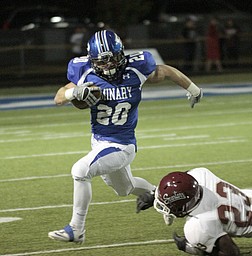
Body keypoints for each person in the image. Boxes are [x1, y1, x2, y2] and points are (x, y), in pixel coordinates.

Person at [48, 30, 203, 244]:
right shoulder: (85, 73)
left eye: (112, 59)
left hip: (122, 145)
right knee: (125, 188)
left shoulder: (135, 69)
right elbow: (58, 98)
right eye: (102, 61)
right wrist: (74, 93)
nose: (109, 65)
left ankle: (76, 229)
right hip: (100, 142)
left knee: (80, 171)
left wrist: (193, 89)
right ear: (93, 61)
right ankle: (163, 198)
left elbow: (167, 71)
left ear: (121, 54)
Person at [137, 167, 252, 255]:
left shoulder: (198, 225)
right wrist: (155, 194)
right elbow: (184, 178)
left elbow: (232, 252)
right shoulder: (201, 176)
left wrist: (190, 248)